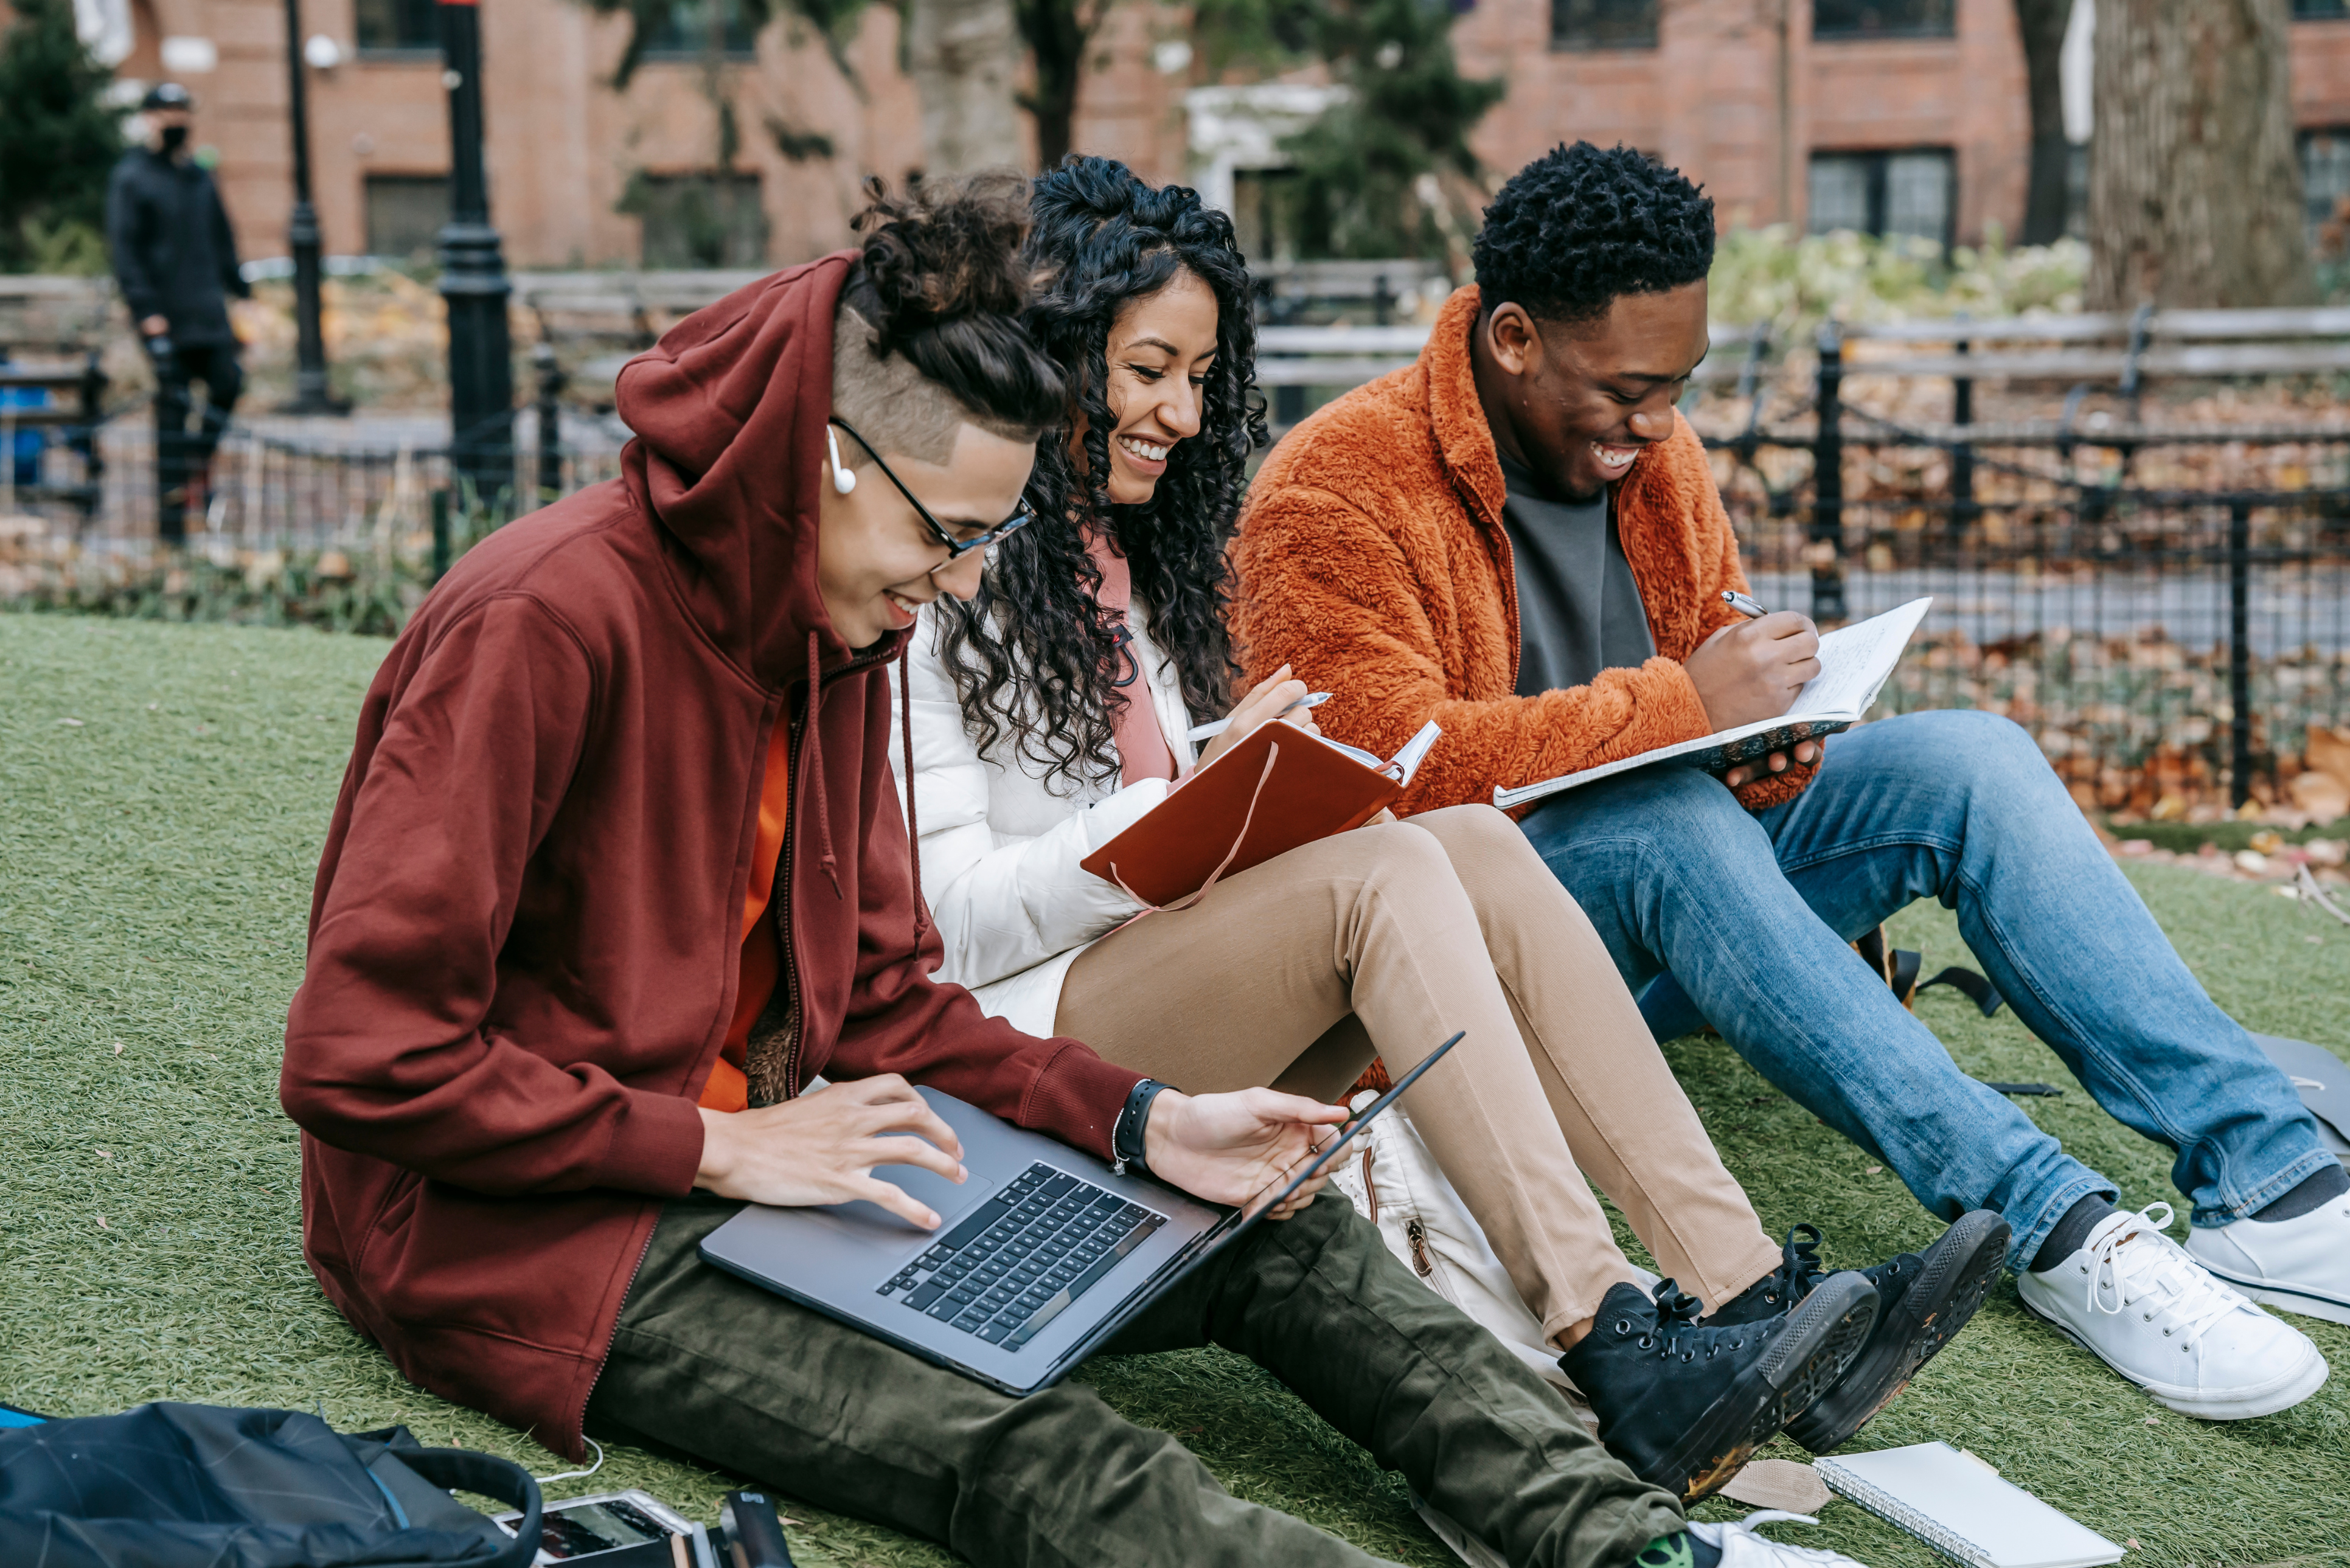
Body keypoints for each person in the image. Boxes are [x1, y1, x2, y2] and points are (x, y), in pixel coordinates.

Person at [277, 174, 1843, 1568]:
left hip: (815, 1149)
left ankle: (1635, 1543)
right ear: (830, 463)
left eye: (983, 539)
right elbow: (359, 1054)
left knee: (1273, 1226)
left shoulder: (834, 624)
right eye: (946, 534)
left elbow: (887, 997)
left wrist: (1146, 1118)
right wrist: (712, 1145)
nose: (961, 582)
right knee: (1033, 1450)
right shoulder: (540, 623)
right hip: (555, 1233)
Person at [893, 156, 2003, 1502]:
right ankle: (1609, 1336)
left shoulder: (1144, 559)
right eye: (1145, 371)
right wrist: (1184, 804)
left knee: (1467, 842)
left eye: (1198, 376)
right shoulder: (924, 573)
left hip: (1155, 974)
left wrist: (1239, 780)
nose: (1179, 413)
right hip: (1020, 1048)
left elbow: (1160, 816)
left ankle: (1740, 1291)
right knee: (1384, 871)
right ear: (1052, 353)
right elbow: (943, 929)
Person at [1231, 140, 2350, 1423]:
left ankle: (2270, 1184)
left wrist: (1768, 738)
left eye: (1679, 385)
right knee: (1658, 820)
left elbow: (1711, 658)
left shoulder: (1652, 455)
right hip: (1478, 966)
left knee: (1969, 757)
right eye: (1628, 390)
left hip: (1681, 899)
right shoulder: (1331, 485)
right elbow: (1371, 784)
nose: (1657, 425)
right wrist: (1682, 708)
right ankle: (2059, 1229)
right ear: (1513, 338)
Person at [106, 82, 248, 544]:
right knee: (172, 412)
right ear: (149, 118)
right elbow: (125, 252)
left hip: (209, 311)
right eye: (166, 113)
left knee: (229, 383)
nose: (175, 120)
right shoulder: (131, 177)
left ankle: (194, 466)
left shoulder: (199, 176)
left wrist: (243, 293)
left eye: (182, 112)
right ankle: (171, 529)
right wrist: (146, 311)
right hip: (164, 316)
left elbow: (223, 240)